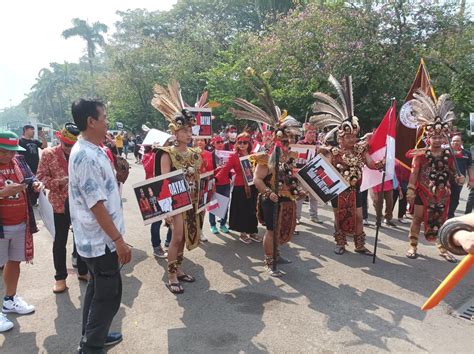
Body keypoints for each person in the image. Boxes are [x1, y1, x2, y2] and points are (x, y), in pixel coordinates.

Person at [69, 99, 132, 352]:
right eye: (104, 117)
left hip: (97, 240)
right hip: (100, 241)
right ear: (91, 122)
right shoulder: (85, 155)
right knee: (108, 297)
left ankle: (95, 336)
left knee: (97, 291)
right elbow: (97, 206)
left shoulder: (96, 149)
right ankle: (90, 347)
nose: (107, 122)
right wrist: (118, 240)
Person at [227, 72, 301, 275]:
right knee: (270, 230)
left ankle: (276, 254)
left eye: (288, 141)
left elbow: (291, 176)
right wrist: (268, 193)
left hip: (286, 199)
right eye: (283, 141)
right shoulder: (264, 157)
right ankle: (269, 262)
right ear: (276, 140)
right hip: (271, 199)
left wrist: (298, 189)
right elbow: (257, 179)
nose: (286, 144)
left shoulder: (288, 156)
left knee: (280, 229)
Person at [311, 75, 384, 255]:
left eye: (353, 136)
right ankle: (341, 243)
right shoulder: (332, 152)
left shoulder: (361, 150)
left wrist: (381, 164)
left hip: (356, 191)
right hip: (339, 191)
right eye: (348, 137)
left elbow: (371, 165)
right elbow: (320, 168)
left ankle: (359, 245)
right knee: (338, 217)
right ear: (340, 137)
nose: (352, 139)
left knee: (359, 217)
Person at [151, 80, 203, 295]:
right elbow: (164, 181)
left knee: (184, 237)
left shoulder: (194, 153)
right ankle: (171, 274)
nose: (188, 134)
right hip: (175, 202)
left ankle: (179, 268)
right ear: (175, 131)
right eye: (184, 131)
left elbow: (199, 177)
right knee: (177, 236)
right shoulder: (166, 153)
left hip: (190, 200)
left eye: (190, 130)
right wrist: (168, 210)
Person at [405, 91, 464, 263]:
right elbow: (414, 172)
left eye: (440, 136)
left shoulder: (448, 154)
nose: (437, 139)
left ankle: (442, 248)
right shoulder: (421, 154)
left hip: (442, 193)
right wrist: (410, 190)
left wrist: (459, 179)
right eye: (434, 136)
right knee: (417, 218)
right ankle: (413, 246)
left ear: (443, 137)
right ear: (428, 137)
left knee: (442, 220)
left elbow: (453, 172)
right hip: (423, 192)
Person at [37, 123, 88, 294]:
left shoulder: (81, 154)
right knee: (60, 242)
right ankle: (60, 278)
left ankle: (82, 271)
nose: (68, 149)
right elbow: (41, 178)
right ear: (60, 140)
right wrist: (58, 182)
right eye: (66, 145)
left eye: (71, 146)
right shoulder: (48, 154)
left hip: (80, 204)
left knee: (81, 239)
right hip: (58, 204)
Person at [0, 131, 42, 333]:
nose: (9, 156)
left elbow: (30, 177)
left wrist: (34, 183)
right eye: (4, 152)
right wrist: (3, 193)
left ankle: (10, 299)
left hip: (19, 222)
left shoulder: (18, 161)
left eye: (11, 152)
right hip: (2, 225)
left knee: (14, 261)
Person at [215, 133, 261, 244]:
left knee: (252, 210)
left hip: (253, 187)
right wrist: (215, 179)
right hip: (240, 188)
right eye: (239, 142)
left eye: (245, 142)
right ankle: (243, 233)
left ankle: (252, 231)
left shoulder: (253, 155)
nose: (242, 145)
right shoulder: (234, 156)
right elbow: (225, 170)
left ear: (249, 143)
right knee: (242, 211)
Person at [142, 146, 172, 258]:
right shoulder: (148, 155)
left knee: (173, 217)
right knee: (157, 220)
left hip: (167, 188)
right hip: (153, 189)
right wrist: (155, 154)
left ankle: (169, 243)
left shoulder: (170, 153)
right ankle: (156, 247)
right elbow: (148, 169)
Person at [296, 123, 322, 224]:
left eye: (314, 132)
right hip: (303, 173)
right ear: (305, 134)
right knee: (300, 196)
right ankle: (297, 217)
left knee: (314, 196)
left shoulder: (319, 144)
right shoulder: (300, 143)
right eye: (310, 132)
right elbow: (297, 158)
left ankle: (314, 216)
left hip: (315, 173)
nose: (312, 134)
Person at [208, 136, 231, 234]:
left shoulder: (228, 154)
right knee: (213, 205)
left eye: (222, 141)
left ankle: (222, 224)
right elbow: (208, 171)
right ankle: (213, 225)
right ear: (213, 144)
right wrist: (215, 170)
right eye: (218, 142)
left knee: (224, 204)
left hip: (226, 183)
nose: (221, 144)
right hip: (215, 183)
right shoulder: (210, 155)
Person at [447, 135, 473, 218]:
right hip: (445, 180)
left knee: (454, 199)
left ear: (462, 142)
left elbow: (470, 167)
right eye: (453, 141)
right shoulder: (446, 152)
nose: (455, 142)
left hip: (459, 181)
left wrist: (471, 180)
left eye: (457, 141)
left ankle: (450, 216)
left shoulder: (467, 154)